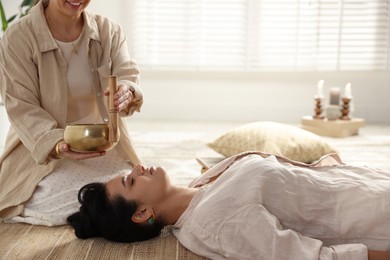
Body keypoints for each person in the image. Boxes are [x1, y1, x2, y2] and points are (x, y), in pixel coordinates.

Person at [67, 151, 390, 260]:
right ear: (142, 213)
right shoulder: (216, 223)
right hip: (377, 214)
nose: (138, 168)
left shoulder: (199, 186)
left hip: (369, 182)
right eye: (131, 181)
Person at [0, 0, 143, 226]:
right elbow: (22, 107)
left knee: (131, 189)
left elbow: (127, 72)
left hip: (102, 148)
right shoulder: (17, 37)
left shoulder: (109, 30)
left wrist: (127, 90)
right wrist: (58, 144)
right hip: (45, 154)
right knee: (82, 196)